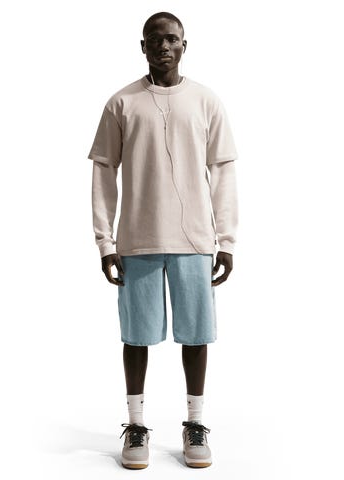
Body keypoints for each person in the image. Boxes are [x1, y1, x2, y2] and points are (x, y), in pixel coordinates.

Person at [88, 11, 238, 469]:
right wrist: (105, 242)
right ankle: (135, 425)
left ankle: (195, 423)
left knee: (196, 334)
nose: (164, 46)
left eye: (172, 39)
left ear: (184, 45)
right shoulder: (122, 103)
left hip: (195, 241)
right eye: (155, 39)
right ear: (143, 46)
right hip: (138, 240)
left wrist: (227, 240)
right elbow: (103, 172)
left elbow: (223, 170)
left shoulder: (205, 101)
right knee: (136, 335)